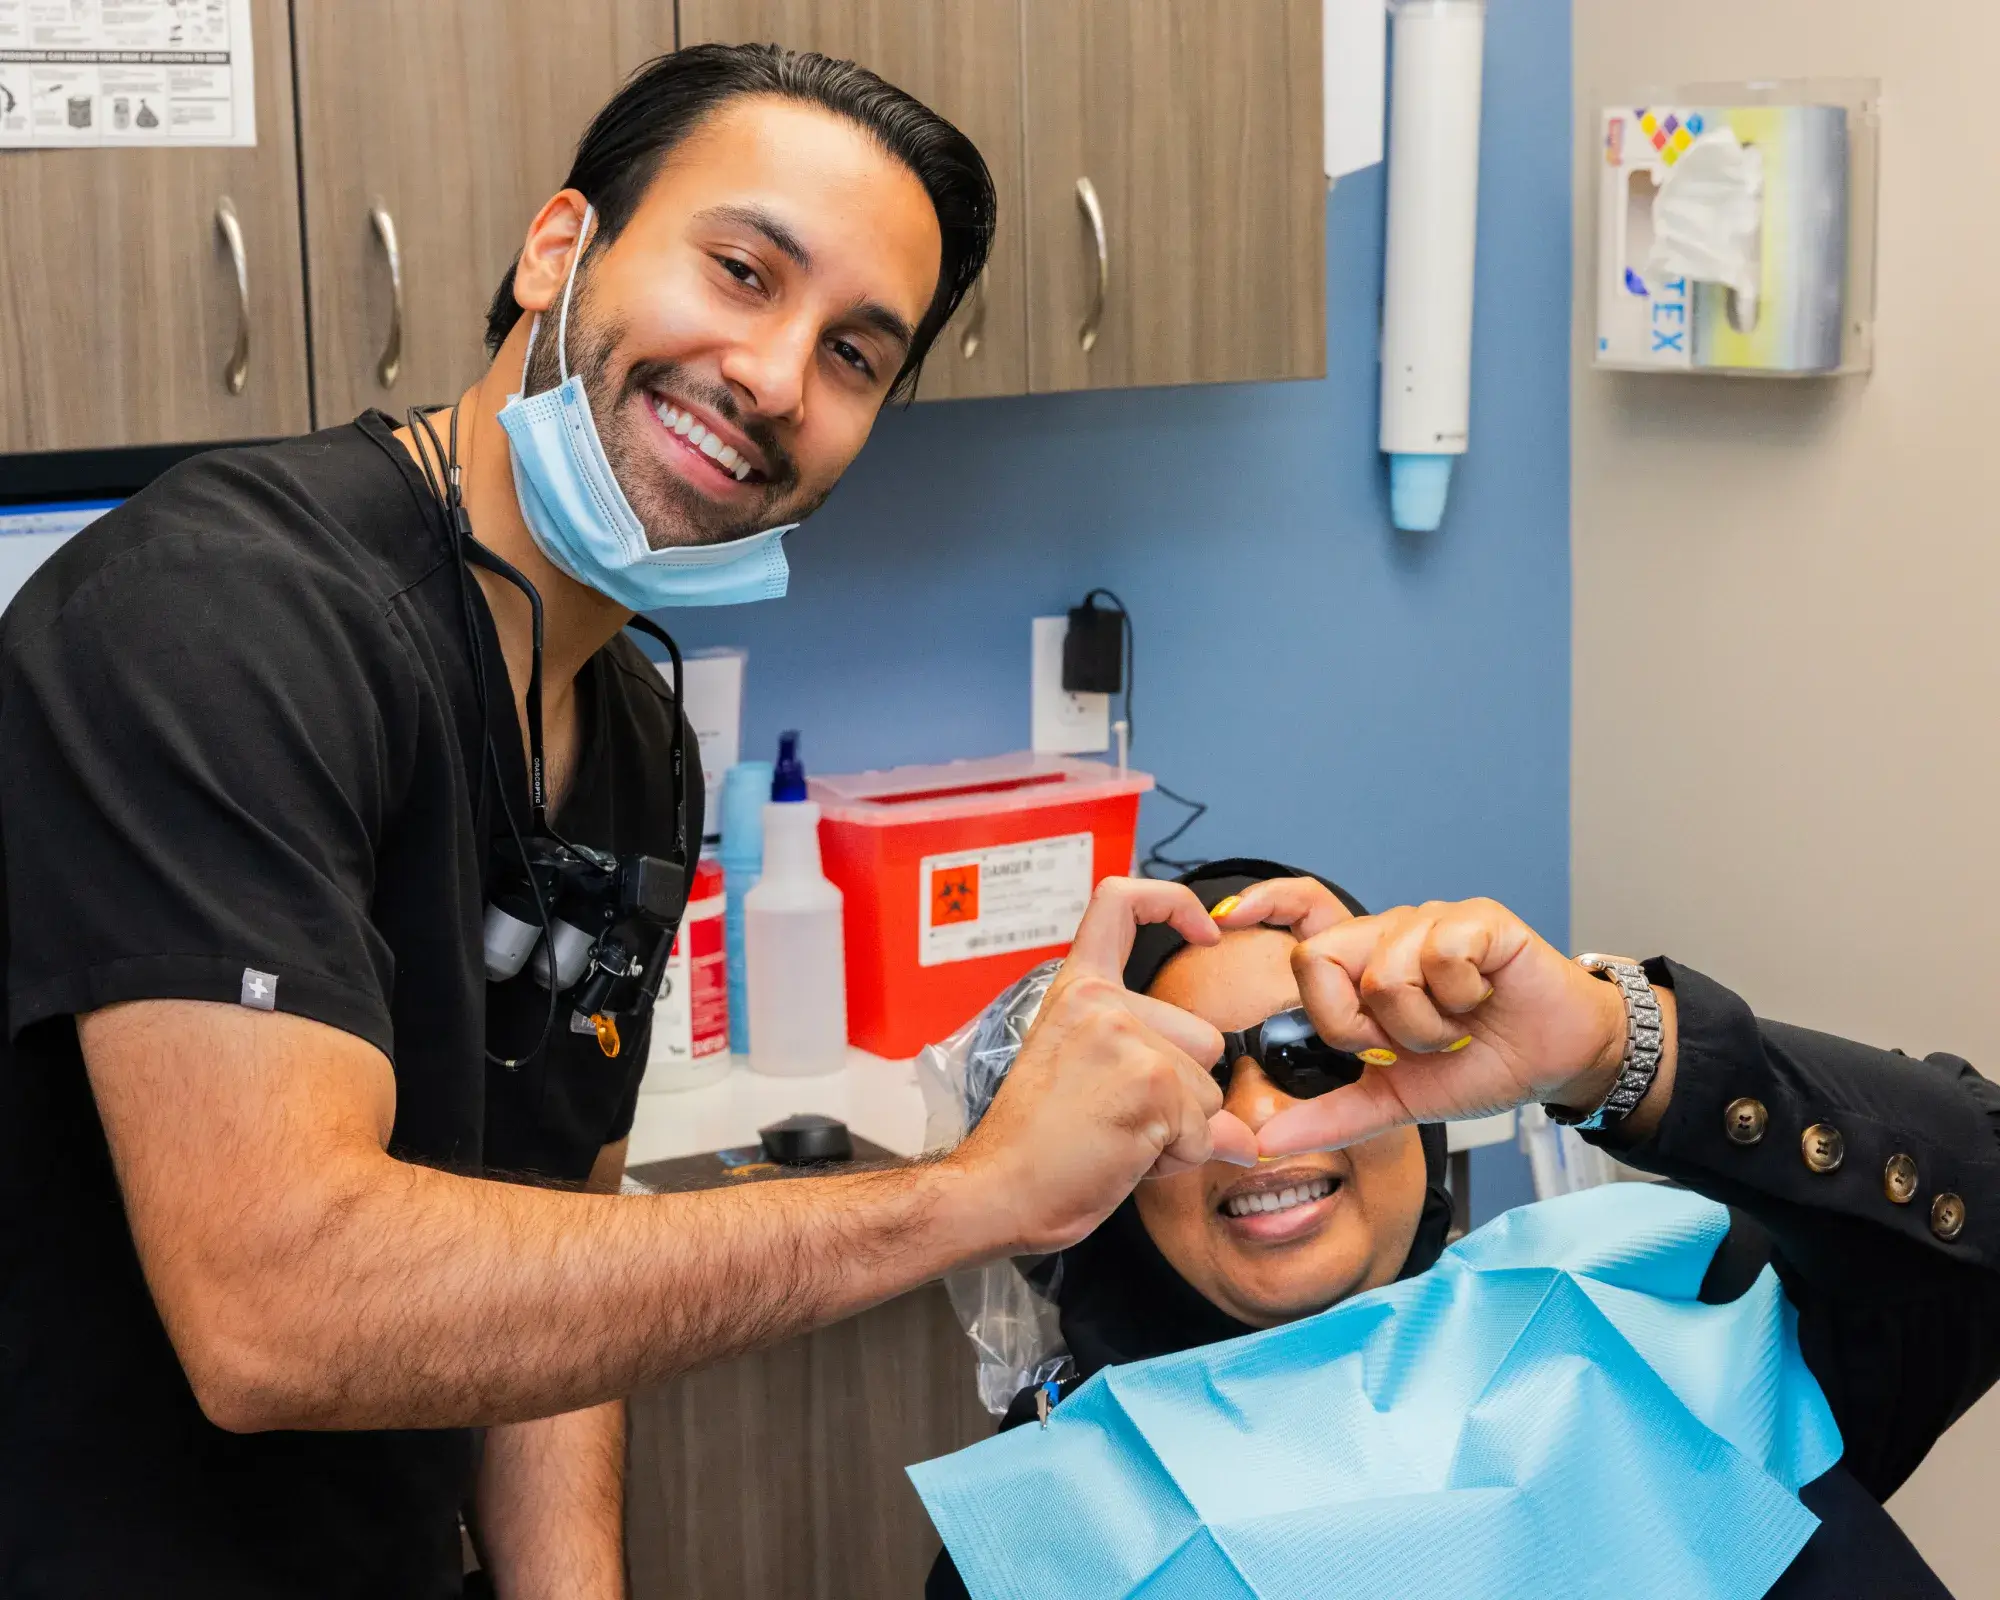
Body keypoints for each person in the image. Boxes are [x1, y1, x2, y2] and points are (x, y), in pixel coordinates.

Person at [0, 46, 1254, 1599]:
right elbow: (280, 1308)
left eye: (856, 355)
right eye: (740, 271)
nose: (776, 377)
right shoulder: (222, 619)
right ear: (558, 249)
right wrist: (968, 1198)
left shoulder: (633, 733)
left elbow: (550, 1253)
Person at [928, 860, 2000, 1598]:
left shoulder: (1677, 1314)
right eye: (1193, 1081)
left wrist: (1605, 1041)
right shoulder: (1043, 1525)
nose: (1256, 1123)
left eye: (1313, 1051)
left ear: (1423, 1099)